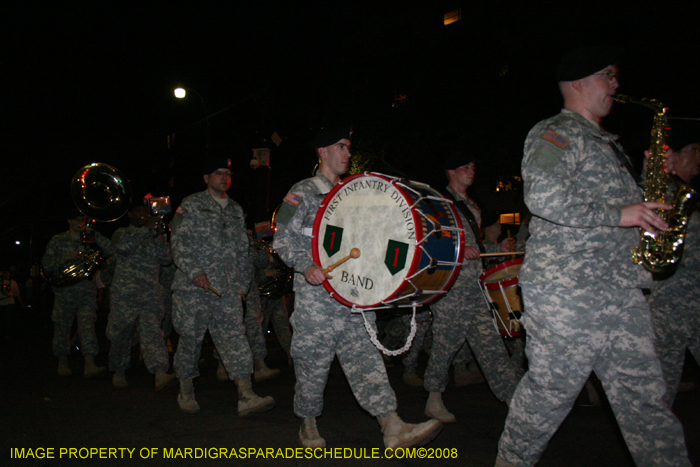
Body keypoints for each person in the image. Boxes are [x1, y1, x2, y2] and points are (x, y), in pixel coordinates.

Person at [495, 46, 690, 467]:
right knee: (549, 396)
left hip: (622, 290)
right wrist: (621, 214)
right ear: (580, 83)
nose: (616, 84)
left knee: (647, 403)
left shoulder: (608, 145)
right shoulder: (556, 133)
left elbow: (631, 214)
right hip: (568, 292)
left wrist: (656, 186)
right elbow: (543, 196)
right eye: (608, 75)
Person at [273, 126, 442, 449]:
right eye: (341, 146)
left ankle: (392, 425)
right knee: (312, 362)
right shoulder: (303, 191)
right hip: (315, 300)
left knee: (366, 360)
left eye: (349, 147)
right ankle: (307, 424)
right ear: (323, 151)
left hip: (351, 296)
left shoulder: (353, 194)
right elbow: (282, 238)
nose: (347, 153)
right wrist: (306, 265)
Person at [170, 157, 274, 416]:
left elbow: (242, 251)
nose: (224, 178)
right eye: (217, 173)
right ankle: (185, 389)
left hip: (226, 289)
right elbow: (178, 242)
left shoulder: (236, 210)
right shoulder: (191, 205)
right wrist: (194, 272)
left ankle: (246, 394)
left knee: (235, 338)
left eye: (227, 173)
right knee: (191, 339)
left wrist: (242, 286)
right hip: (195, 288)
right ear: (206, 178)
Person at [422, 152, 521, 423]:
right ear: (451, 171)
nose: (471, 171)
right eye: (465, 167)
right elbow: (426, 241)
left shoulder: (470, 204)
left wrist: (495, 248)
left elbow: (476, 248)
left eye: (473, 166)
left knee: (492, 346)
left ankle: (513, 401)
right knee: (446, 345)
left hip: (475, 286)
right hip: (451, 287)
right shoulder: (437, 203)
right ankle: (433, 398)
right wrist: (457, 251)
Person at [648, 131, 700, 408]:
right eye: (693, 149)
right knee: (661, 390)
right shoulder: (661, 191)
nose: (698, 157)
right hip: (670, 304)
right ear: (673, 155)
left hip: (695, 300)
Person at [107, 204, 177, 390]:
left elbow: (167, 259)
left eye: (145, 212)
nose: (142, 215)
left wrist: (159, 237)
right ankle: (119, 370)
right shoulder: (122, 233)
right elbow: (122, 248)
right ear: (129, 214)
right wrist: (146, 231)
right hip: (125, 295)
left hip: (151, 294)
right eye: (137, 211)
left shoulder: (155, 235)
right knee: (121, 333)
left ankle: (160, 372)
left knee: (153, 333)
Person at [42, 212, 112, 378]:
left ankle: (90, 363)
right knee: (62, 327)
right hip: (64, 291)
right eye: (76, 220)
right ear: (68, 220)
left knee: (88, 327)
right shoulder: (58, 240)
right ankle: (62, 362)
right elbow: (47, 264)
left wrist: (94, 234)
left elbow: (110, 249)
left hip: (86, 291)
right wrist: (67, 257)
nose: (79, 223)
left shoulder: (89, 238)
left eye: (82, 220)